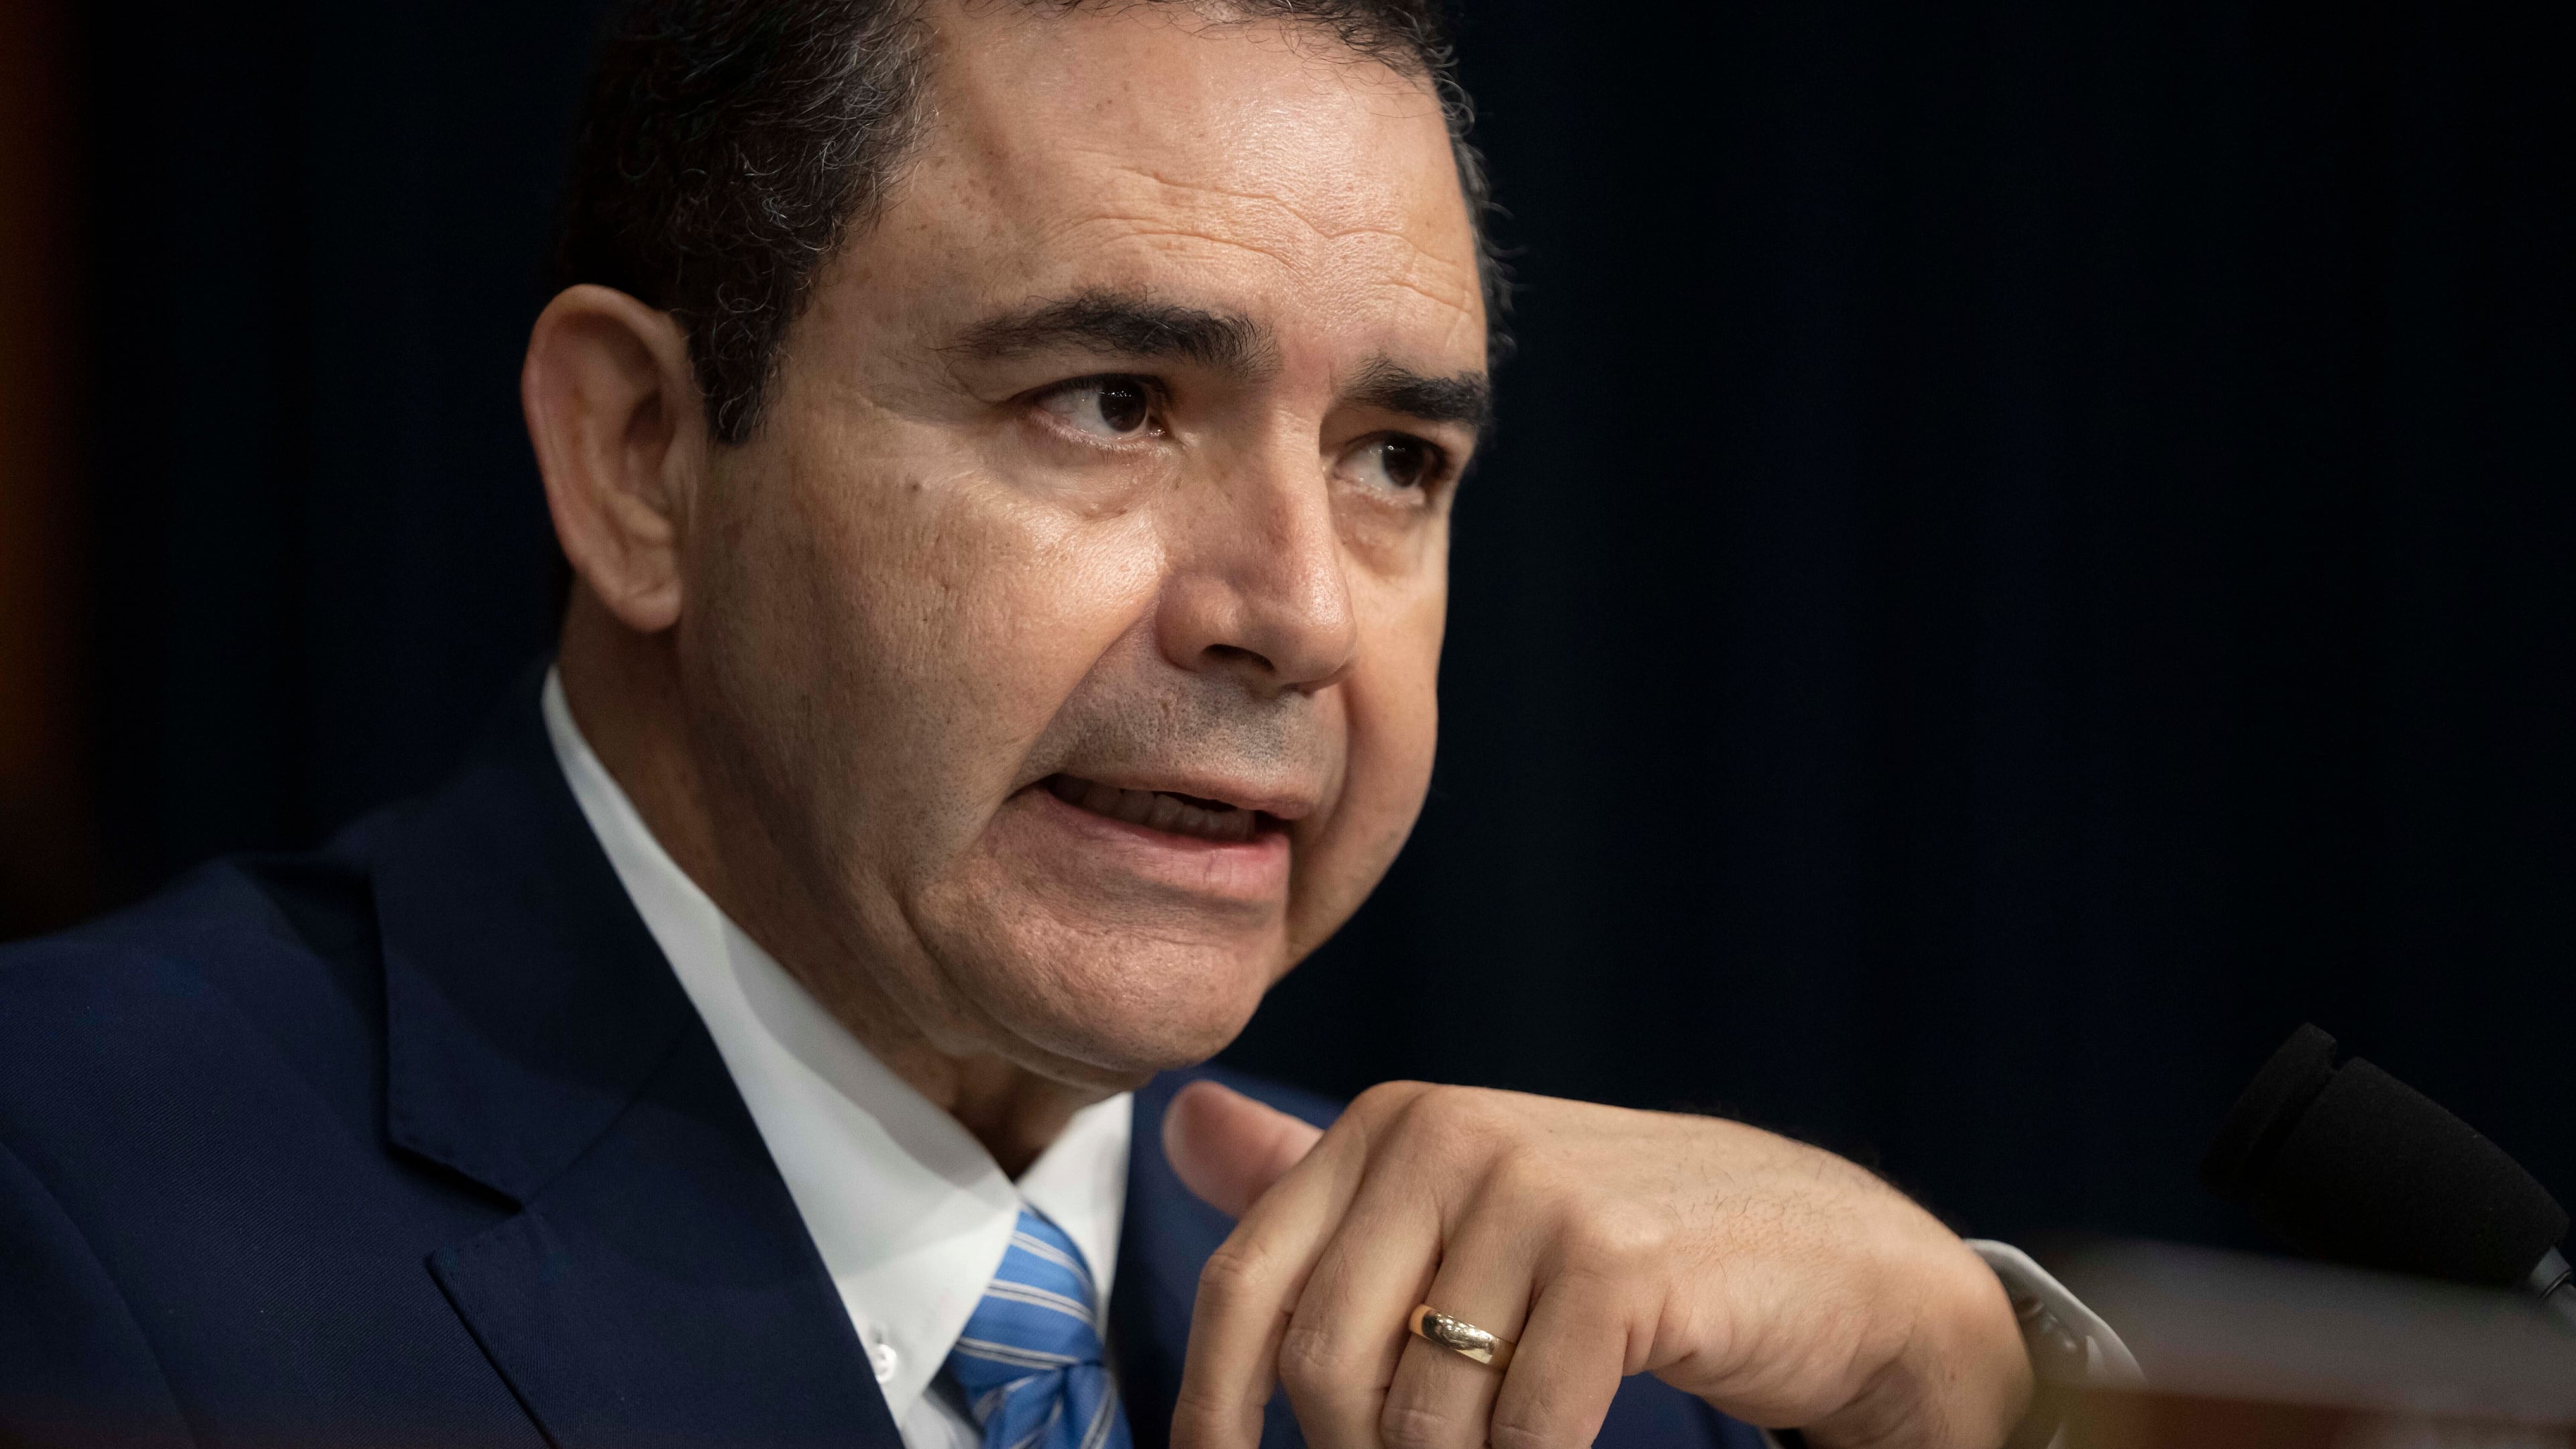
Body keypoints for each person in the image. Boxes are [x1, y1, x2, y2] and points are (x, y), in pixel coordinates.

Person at [0, 2, 2127, 1446]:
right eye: (1110, 405)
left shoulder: (1568, 1369)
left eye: (1396, 457)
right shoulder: (75, 1210)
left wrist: (1973, 1402)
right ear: (644, 457)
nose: (1298, 612)